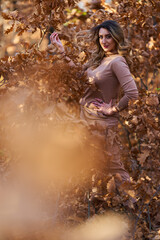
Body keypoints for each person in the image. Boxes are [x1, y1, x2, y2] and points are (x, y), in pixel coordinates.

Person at [49, 20, 139, 189]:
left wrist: (113, 108)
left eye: (108, 37)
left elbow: (133, 94)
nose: (104, 41)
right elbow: (80, 76)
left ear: (116, 38)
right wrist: (62, 52)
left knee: (116, 171)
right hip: (87, 121)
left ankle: (136, 208)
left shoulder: (117, 61)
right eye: (101, 37)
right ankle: (97, 209)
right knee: (91, 171)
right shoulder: (99, 59)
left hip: (103, 126)